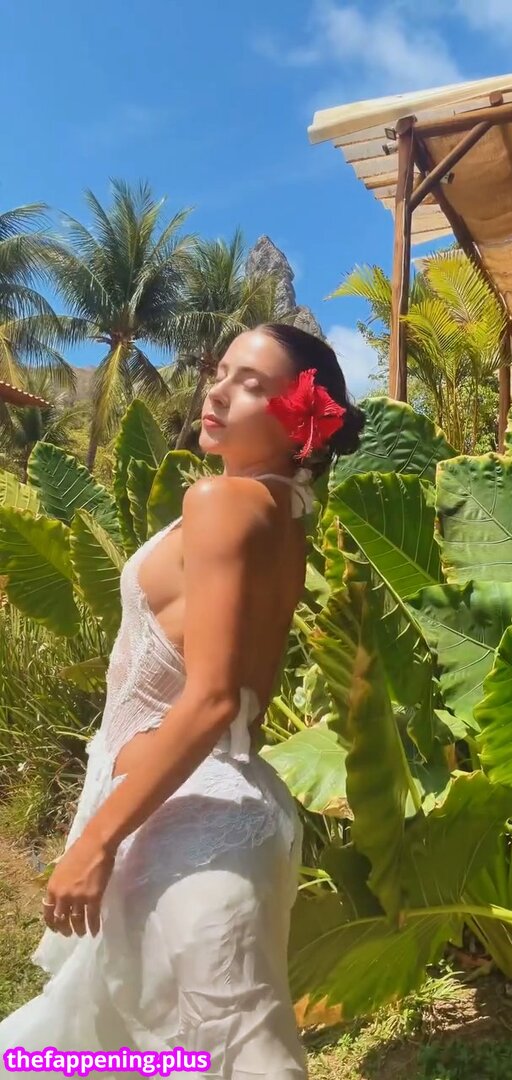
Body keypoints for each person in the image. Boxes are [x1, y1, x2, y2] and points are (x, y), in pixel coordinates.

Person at [0, 324, 366, 1079]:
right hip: (202, 816)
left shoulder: (223, 501)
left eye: (251, 384)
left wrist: (95, 843)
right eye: (220, 371)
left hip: (190, 826)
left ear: (300, 420)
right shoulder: (283, 508)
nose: (219, 391)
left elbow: (211, 701)